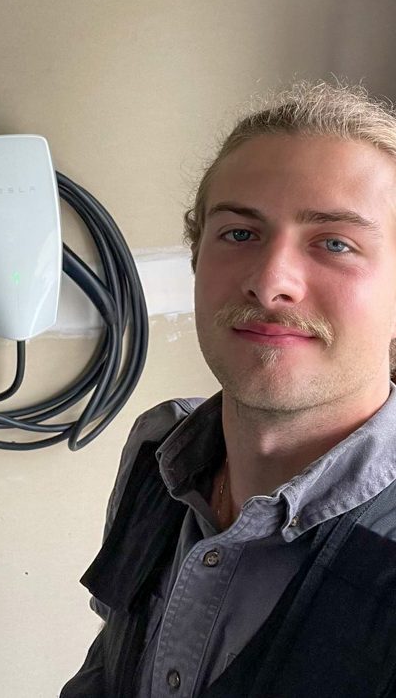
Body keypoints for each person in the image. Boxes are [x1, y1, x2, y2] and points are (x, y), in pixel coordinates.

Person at [61, 80, 396, 698]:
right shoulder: (158, 451)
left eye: (335, 243)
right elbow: (111, 662)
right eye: (240, 234)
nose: (271, 283)